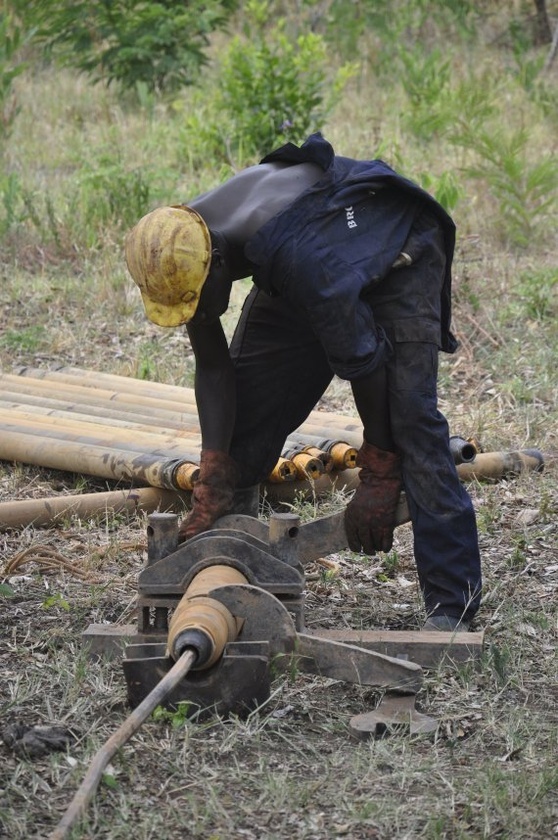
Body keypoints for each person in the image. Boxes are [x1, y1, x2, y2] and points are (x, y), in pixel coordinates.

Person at [125, 132, 482, 632]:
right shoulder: (184, 241)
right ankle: (232, 564)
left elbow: (364, 360)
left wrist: (379, 468)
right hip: (316, 246)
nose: (200, 312)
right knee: (243, 425)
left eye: (201, 300)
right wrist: (214, 469)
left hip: (397, 250)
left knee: (410, 423)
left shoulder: (302, 263)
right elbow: (213, 367)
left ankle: (452, 605)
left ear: (220, 265)